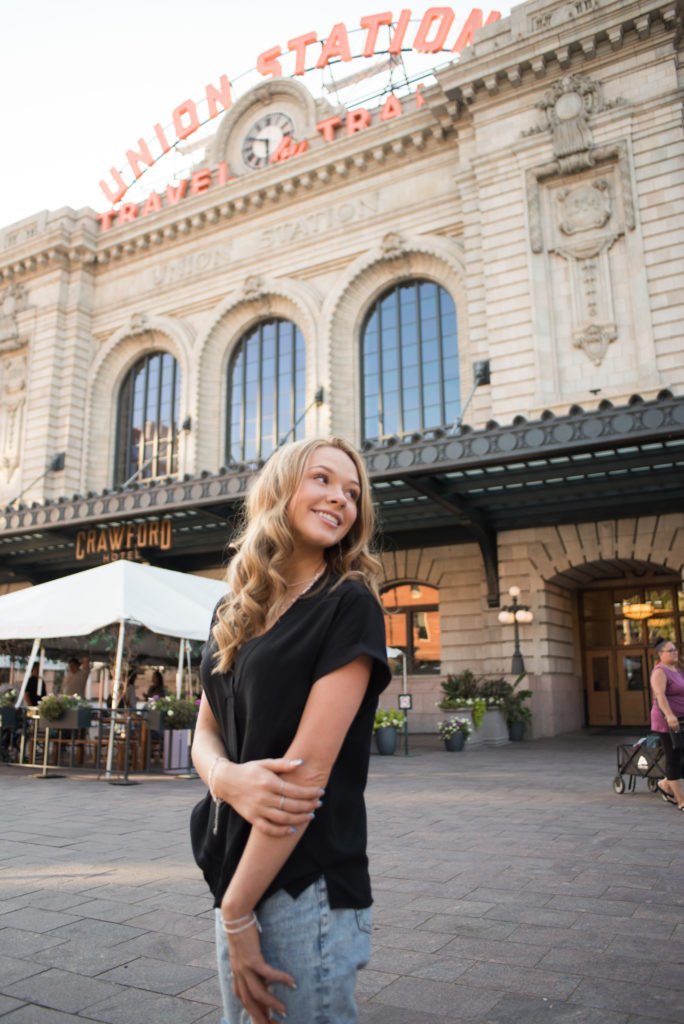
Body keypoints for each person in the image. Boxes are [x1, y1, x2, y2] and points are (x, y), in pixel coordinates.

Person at [191, 437, 390, 1024]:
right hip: (237, 869)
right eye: (323, 480)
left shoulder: (349, 604)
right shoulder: (234, 609)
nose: (340, 499)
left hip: (306, 883)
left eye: (352, 492)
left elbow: (305, 777)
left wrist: (236, 910)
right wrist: (228, 780)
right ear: (280, 489)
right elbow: (205, 727)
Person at [650, 637, 684, 810]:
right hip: (667, 721)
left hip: (681, 720)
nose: (675, 652)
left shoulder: (676, 670)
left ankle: (665, 784)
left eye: (675, 649)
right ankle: (682, 801)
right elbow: (660, 695)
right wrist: (670, 716)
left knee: (681, 758)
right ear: (660, 654)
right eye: (670, 650)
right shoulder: (660, 671)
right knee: (674, 757)